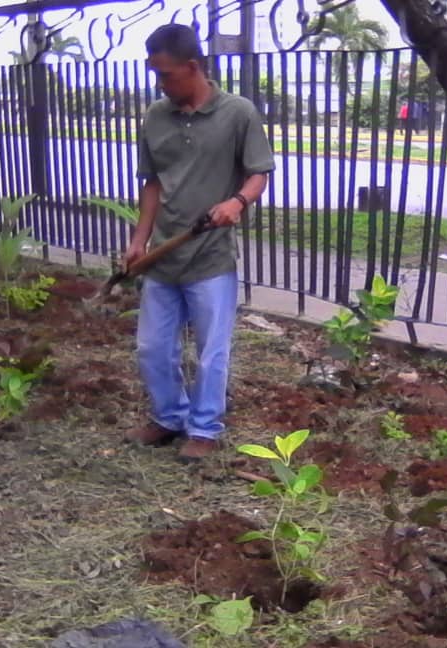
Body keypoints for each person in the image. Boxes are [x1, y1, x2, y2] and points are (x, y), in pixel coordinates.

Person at [122, 24, 274, 461]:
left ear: (193, 67)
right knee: (152, 347)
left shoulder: (238, 113)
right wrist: (139, 240)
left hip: (210, 256)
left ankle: (204, 428)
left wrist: (237, 202)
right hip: (163, 256)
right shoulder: (156, 116)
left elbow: (259, 172)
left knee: (211, 352)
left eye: (165, 74)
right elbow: (153, 183)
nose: (159, 83)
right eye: (155, 74)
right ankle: (169, 417)